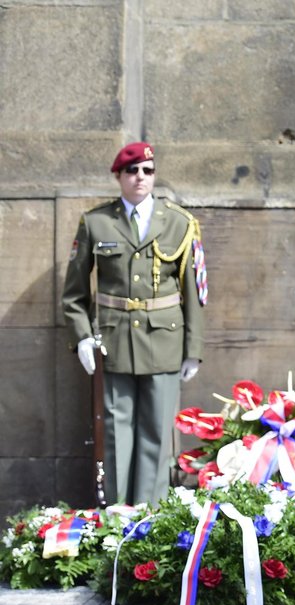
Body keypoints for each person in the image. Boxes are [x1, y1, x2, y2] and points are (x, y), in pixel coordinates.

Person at [62, 142, 207, 506]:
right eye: (132, 171)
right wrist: (81, 337)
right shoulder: (96, 222)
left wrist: (194, 350)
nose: (140, 178)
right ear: (118, 177)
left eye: (147, 170)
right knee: (115, 430)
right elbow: (74, 292)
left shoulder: (179, 222)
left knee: (158, 432)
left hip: (164, 341)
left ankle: (151, 513)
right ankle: (117, 512)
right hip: (114, 341)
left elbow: (195, 292)